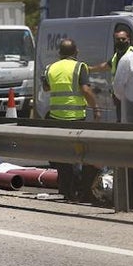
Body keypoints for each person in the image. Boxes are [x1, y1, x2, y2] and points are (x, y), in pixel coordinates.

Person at [42, 38, 102, 202]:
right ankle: (81, 190)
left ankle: (67, 191)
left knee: (63, 157)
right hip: (76, 118)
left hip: (56, 118)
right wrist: (96, 107)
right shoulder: (79, 67)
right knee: (82, 155)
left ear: (59, 53)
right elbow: (85, 89)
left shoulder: (50, 67)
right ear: (76, 52)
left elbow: (46, 87)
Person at [90, 23, 132, 121]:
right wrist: (90, 69)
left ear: (129, 40)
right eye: (118, 39)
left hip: (130, 97)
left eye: (123, 39)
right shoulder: (117, 56)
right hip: (119, 98)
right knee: (121, 120)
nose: (121, 41)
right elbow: (106, 66)